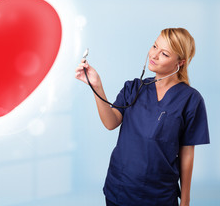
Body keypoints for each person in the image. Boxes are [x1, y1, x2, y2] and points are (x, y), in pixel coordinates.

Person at [75, 28, 210, 206]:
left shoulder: (191, 100)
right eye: (155, 46)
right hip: (120, 188)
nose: (154, 55)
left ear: (180, 63)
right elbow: (110, 122)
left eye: (164, 54)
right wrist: (96, 86)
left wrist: (185, 201)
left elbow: (187, 154)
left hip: (159, 196)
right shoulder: (134, 88)